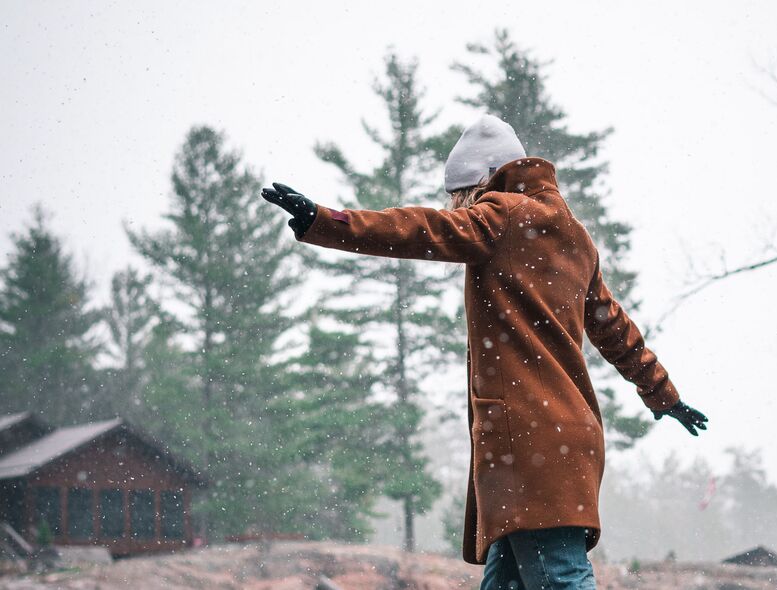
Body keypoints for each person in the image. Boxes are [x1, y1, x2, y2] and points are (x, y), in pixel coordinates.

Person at [261, 114, 709, 590]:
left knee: (562, 581)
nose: (458, 207)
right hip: (568, 436)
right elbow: (616, 329)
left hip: (528, 440)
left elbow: (420, 229)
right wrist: (664, 396)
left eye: (460, 196)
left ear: (484, 180)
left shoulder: (503, 216)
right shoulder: (576, 237)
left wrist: (326, 221)